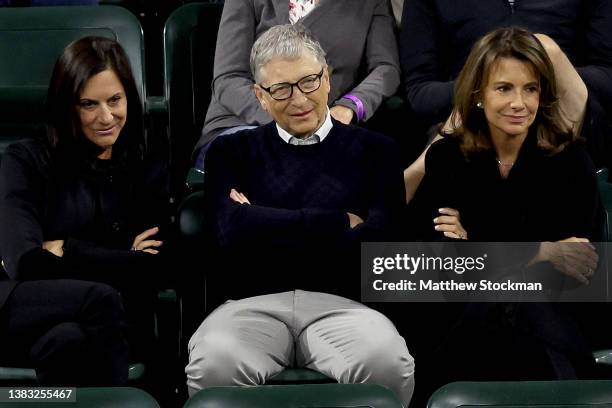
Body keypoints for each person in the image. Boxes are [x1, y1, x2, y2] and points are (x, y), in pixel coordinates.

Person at [186, 24, 414, 406]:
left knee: (387, 363)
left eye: (308, 81)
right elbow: (228, 240)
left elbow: (380, 250)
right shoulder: (231, 152)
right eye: (281, 89)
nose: (299, 99)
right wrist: (340, 221)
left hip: (346, 305)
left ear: (327, 79)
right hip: (251, 305)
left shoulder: (379, 152)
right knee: (213, 364)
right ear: (261, 96)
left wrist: (259, 217)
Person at [413, 26, 605, 404]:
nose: (520, 103)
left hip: (555, 318)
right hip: (465, 321)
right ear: (478, 94)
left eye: (530, 89)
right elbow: (440, 265)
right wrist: (543, 250)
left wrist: (478, 241)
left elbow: (586, 266)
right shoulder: (448, 159)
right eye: (504, 88)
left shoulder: (571, 164)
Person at [0, 36, 170, 380]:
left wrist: (69, 249)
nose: (106, 117)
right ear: (67, 106)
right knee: (102, 298)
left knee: (70, 341)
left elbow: (155, 268)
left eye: (115, 100)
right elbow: (25, 262)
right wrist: (120, 257)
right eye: (88, 104)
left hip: (85, 325)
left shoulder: (145, 164)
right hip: (16, 307)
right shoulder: (24, 160)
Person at [400, 0, 612, 201]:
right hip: (468, 116)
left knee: (544, 47)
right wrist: (488, 82)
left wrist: (539, 75)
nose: (517, 103)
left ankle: (416, 174)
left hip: (565, 113)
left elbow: (607, 75)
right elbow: (420, 92)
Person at [192, 0, 400, 169]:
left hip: (322, 127)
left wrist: (350, 105)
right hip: (246, 122)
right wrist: (285, 125)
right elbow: (229, 77)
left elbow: (385, 68)